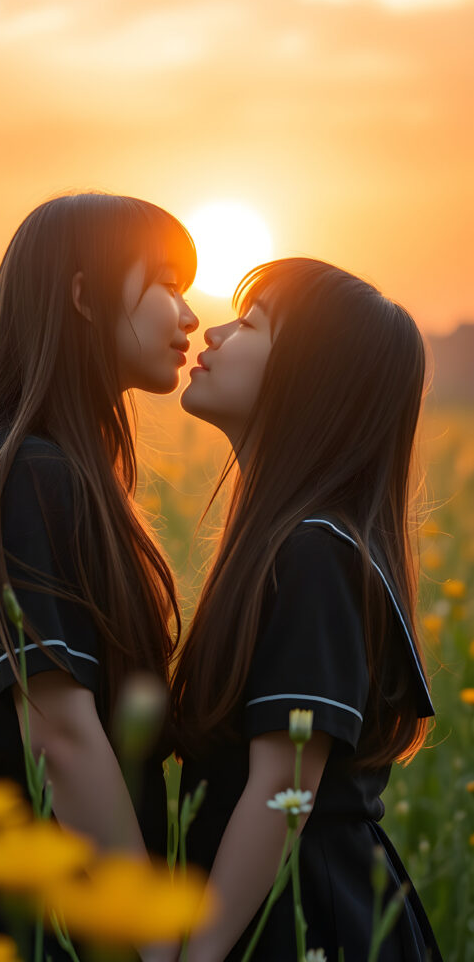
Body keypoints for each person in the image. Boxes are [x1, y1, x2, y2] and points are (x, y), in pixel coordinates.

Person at [0, 192, 198, 958]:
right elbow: (59, 734)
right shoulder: (29, 473)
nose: (189, 315)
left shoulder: (21, 464)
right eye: (164, 282)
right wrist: (150, 935)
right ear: (86, 295)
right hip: (27, 907)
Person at [172, 258, 442, 961]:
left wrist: (195, 954)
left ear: (309, 380)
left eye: (250, 323)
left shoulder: (315, 553)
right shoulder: (294, 544)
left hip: (309, 924)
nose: (213, 332)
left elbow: (280, 788)